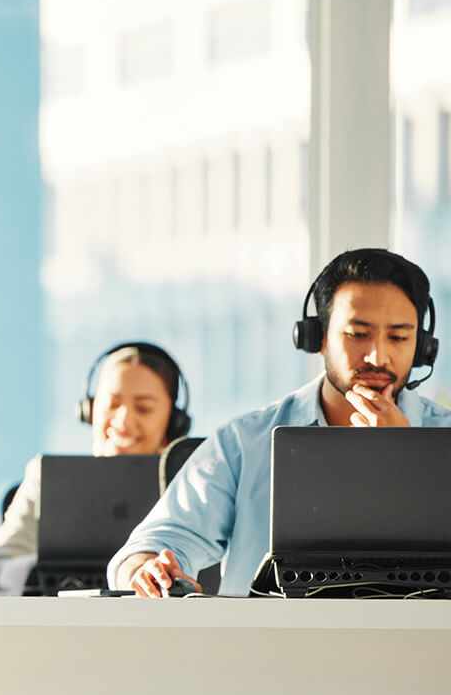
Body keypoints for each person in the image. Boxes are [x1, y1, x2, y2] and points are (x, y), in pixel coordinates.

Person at [108, 248, 451, 597]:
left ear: (422, 347)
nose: (378, 356)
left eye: (398, 337)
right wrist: (145, 569)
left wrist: (411, 463)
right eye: (358, 334)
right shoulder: (244, 441)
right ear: (317, 338)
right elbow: (155, 543)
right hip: (264, 648)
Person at [0, 342, 192, 595]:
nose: (123, 419)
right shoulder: (48, 481)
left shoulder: (192, 486)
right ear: (89, 410)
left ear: (174, 424)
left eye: (144, 408)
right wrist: (51, 570)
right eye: (112, 403)